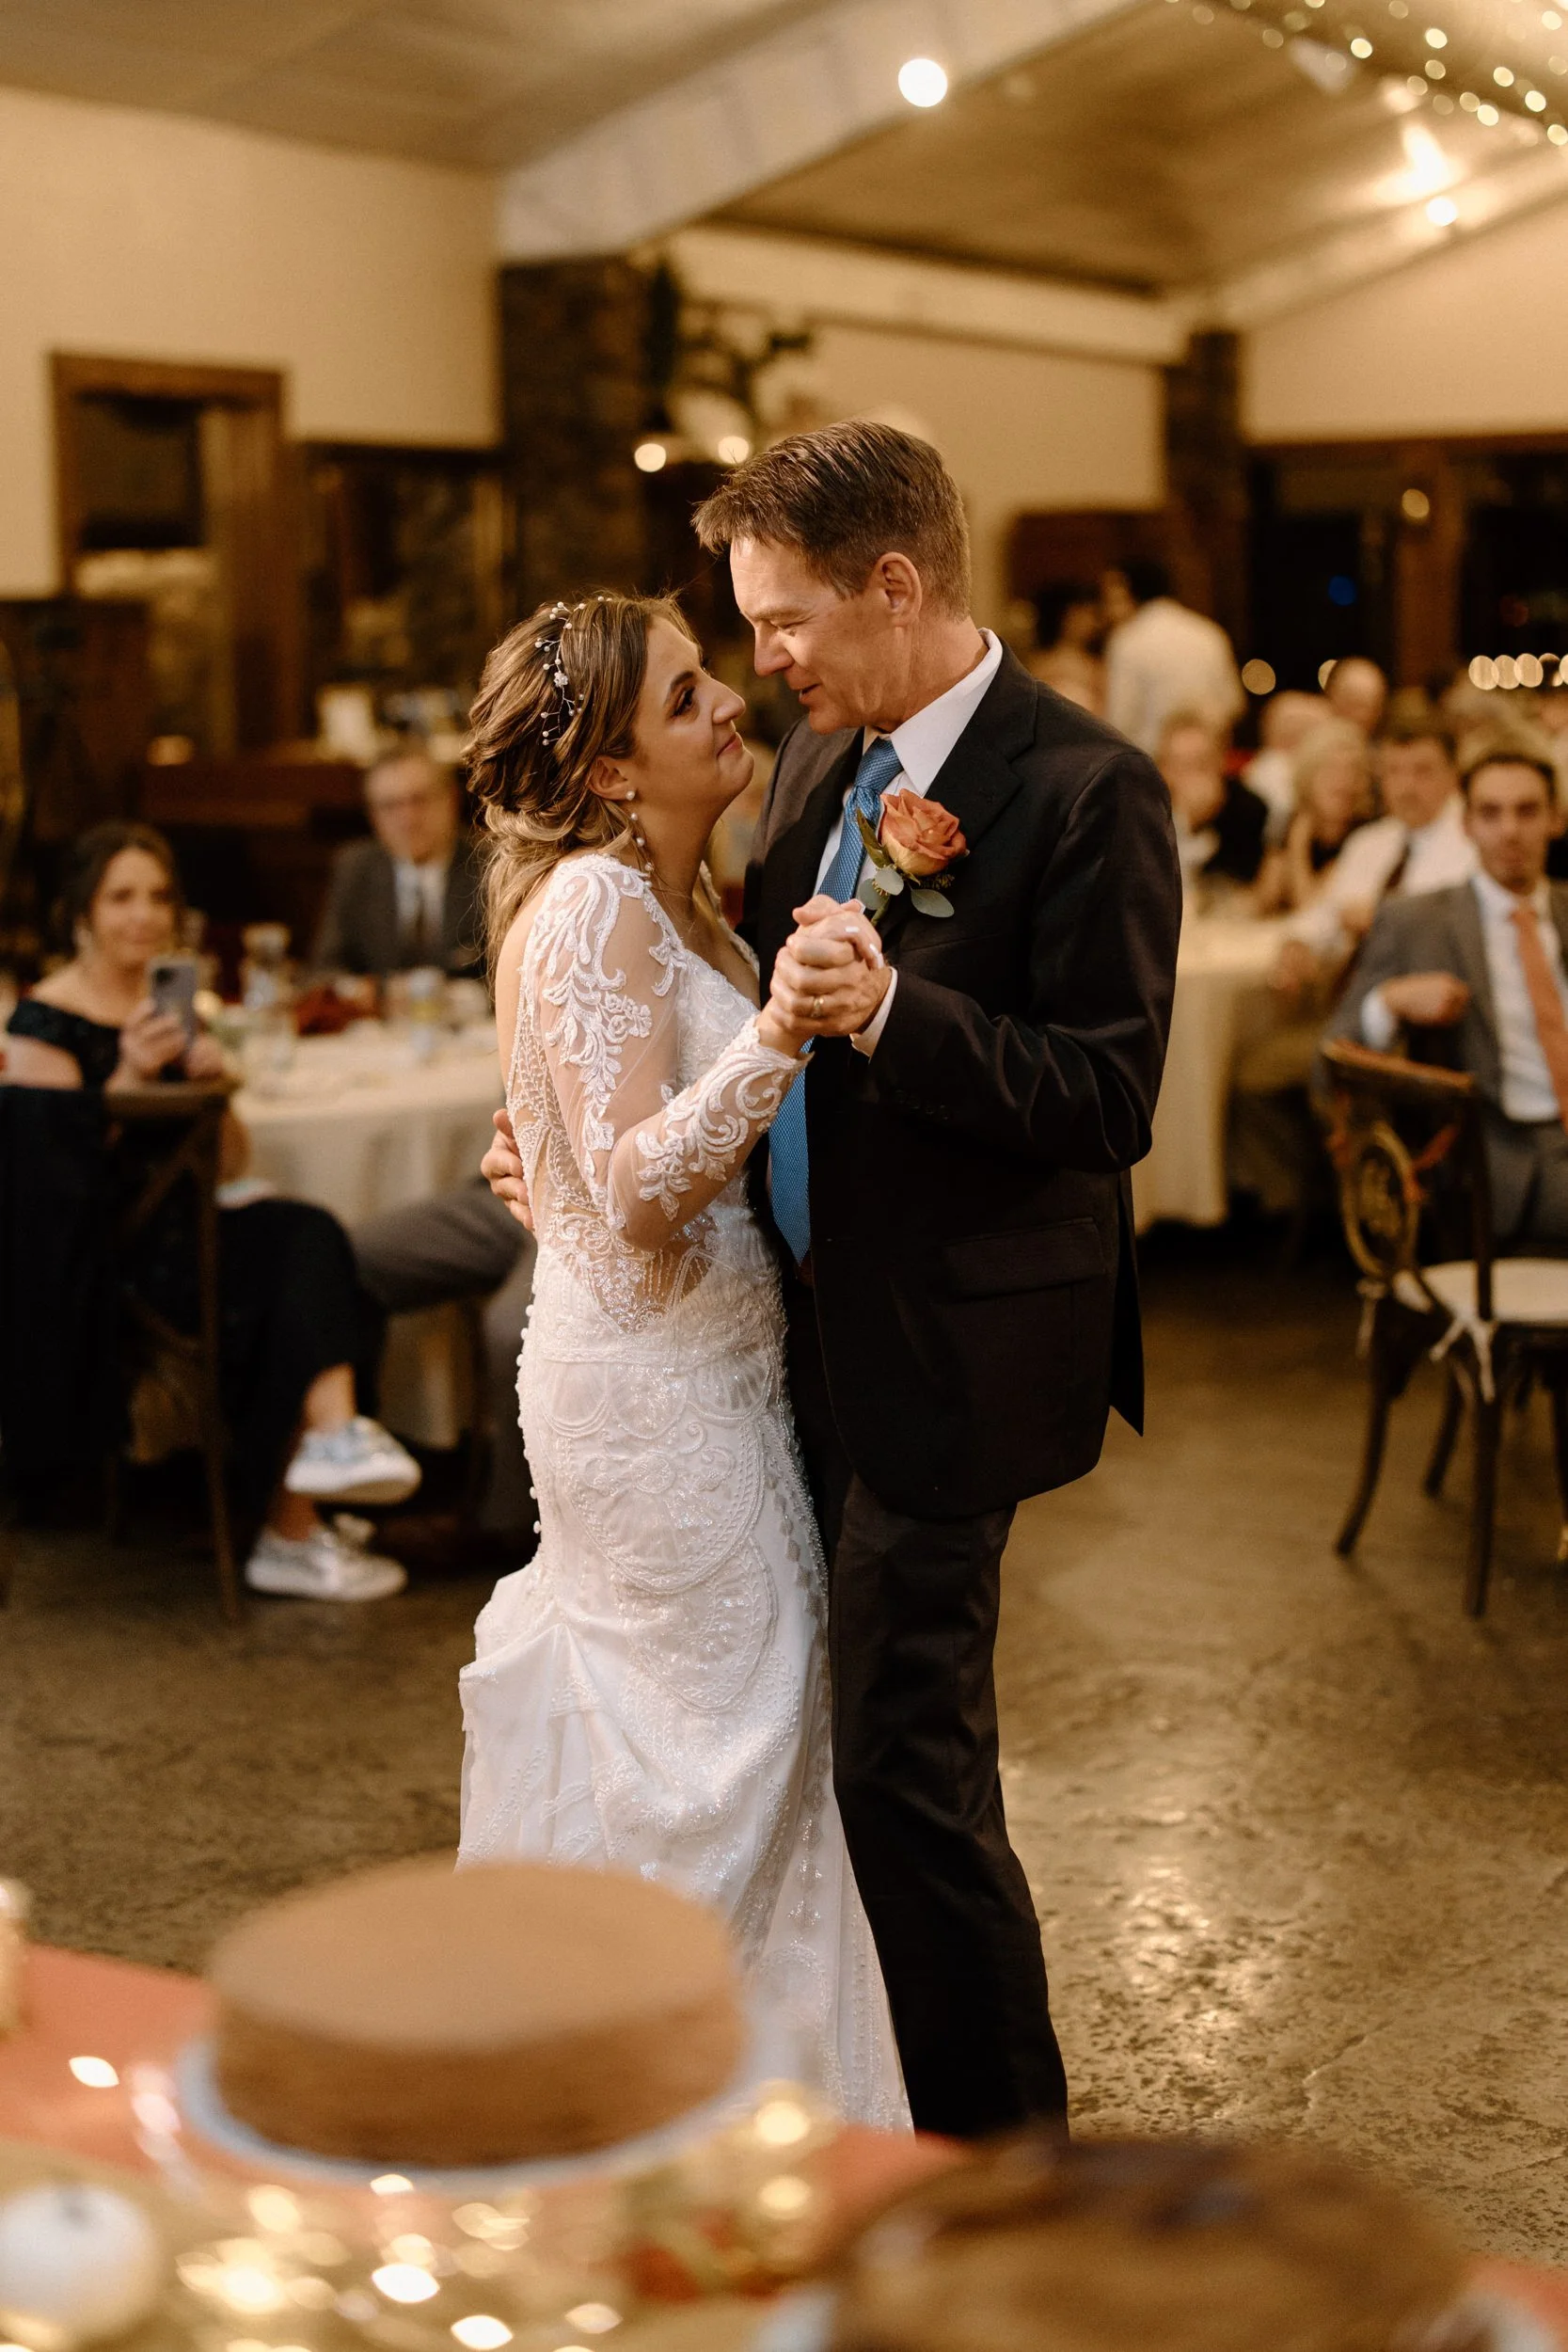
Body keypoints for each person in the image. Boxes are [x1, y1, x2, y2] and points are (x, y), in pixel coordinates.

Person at [456, 591, 908, 2128]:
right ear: (606, 771)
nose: (727, 703)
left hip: (718, 1381)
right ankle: (643, 2108)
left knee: (750, 1755)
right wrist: (776, 1034)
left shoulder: (689, 899)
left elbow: (598, 1159)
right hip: (650, 1406)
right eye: (680, 696)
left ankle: (734, 2120)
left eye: (708, 676)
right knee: (718, 1766)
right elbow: (638, 1196)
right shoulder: (592, 904)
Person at [3, 821, 419, 1600]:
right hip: (102, 1261)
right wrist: (129, 1079)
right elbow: (47, 1192)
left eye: (158, 897)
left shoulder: (174, 1006)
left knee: (313, 1241)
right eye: (121, 897)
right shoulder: (42, 1022)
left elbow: (228, 1163)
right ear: (82, 912)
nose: (144, 915)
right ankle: (298, 1516)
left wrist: (211, 1087)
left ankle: (319, 1470)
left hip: (188, 1230)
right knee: (299, 1263)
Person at [1326, 740, 1568, 1247]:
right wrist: (1389, 1002)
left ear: (1555, 819)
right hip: (1495, 1150)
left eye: (1527, 811)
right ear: (1467, 825)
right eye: (1490, 813)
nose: (1509, 830)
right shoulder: (1417, 921)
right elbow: (1328, 1061)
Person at [350, 1181, 536, 1565]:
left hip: (598, 1205)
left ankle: (514, 1527)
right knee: (335, 1256)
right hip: (518, 1188)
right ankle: (339, 1490)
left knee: (517, 1330)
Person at [1278, 708, 1476, 978]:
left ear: (1453, 775)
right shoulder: (1369, 842)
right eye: (1394, 771)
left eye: (1422, 771)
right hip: (1357, 989)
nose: (1406, 786)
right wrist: (1299, 941)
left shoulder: (1476, 844)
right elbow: (1324, 913)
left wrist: (1380, 919)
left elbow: (1455, 929)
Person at [312, 744, 483, 977]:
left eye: (419, 800)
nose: (407, 819)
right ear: (373, 815)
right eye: (390, 806)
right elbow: (325, 970)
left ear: (451, 800)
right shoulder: (356, 867)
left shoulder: (488, 865)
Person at [1101, 558, 1244, 756]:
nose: (1107, 611)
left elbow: (1120, 719)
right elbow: (1233, 704)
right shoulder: (1208, 632)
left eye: (1112, 599)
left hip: (1152, 760)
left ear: (1131, 593)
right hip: (1207, 756)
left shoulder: (1128, 640)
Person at [1157, 709, 1270, 899]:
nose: (1191, 776)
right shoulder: (1148, 809)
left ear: (1221, 761)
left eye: (1201, 764)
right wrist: (1186, 822)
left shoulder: (1249, 809)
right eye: (1179, 765)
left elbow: (1244, 888)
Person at [1278, 718, 1373, 913]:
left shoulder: (1366, 836)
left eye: (1354, 770)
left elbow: (1309, 909)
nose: (1344, 781)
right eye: (1331, 769)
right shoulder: (1292, 820)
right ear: (1308, 776)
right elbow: (1262, 901)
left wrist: (1297, 846)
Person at [1243, 688, 1327, 842]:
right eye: (1290, 723)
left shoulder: (1322, 769)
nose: (1296, 731)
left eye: (1306, 725)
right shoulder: (1268, 766)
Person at [1028, 580, 1103, 714]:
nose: (1088, 621)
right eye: (1079, 615)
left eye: (1091, 614)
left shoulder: (1098, 666)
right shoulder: (1039, 664)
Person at [1324, 653, 1388, 739]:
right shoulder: (1315, 739)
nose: (1362, 715)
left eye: (1370, 707)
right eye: (1354, 705)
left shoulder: (1381, 744)